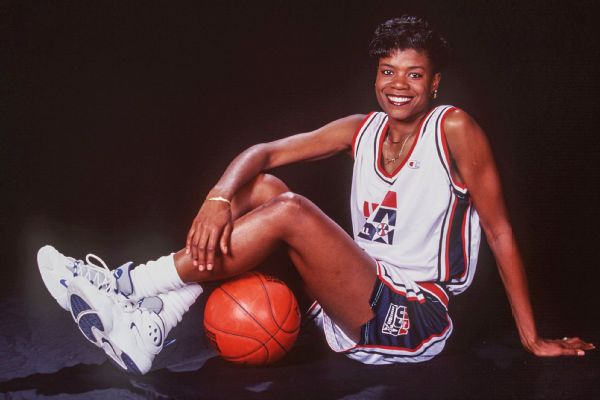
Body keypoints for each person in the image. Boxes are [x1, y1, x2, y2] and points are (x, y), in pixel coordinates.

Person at [37, 16, 594, 375]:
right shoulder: (361, 129)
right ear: (376, 75)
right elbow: (264, 152)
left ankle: (128, 285)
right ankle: (153, 325)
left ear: (435, 82)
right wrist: (218, 196)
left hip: (412, 315)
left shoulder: (454, 129)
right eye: (388, 71)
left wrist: (532, 338)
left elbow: (499, 230)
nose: (399, 85)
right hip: (348, 296)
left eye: (414, 74)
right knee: (261, 188)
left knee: (291, 211)